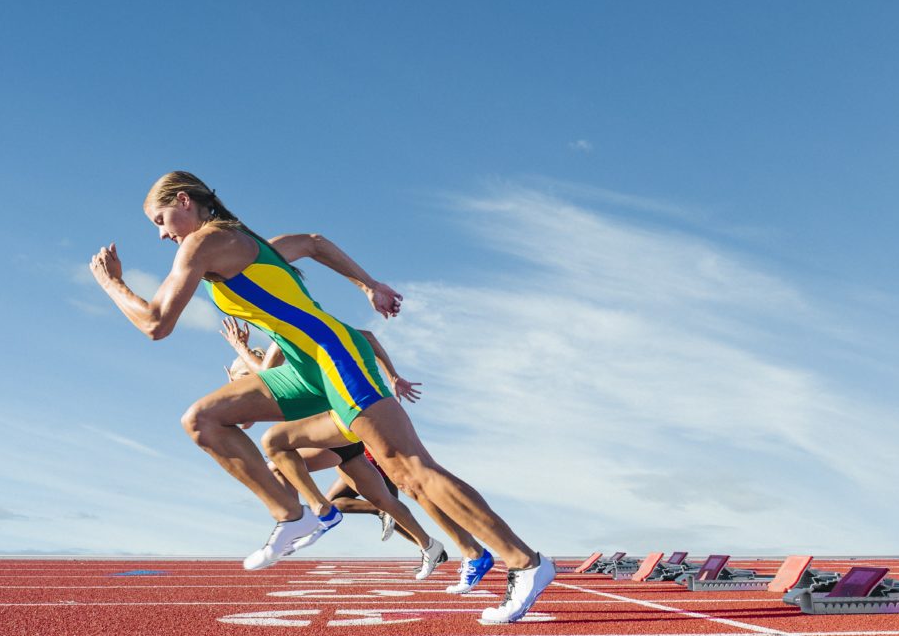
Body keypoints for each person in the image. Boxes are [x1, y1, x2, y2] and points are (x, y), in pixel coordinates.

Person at [90, 171, 554, 623]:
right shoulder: (249, 244)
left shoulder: (204, 242)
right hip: (306, 368)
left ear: (185, 202)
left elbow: (156, 323)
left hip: (335, 357)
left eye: (159, 220)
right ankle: (293, 514)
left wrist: (111, 283)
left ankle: (526, 563)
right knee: (204, 420)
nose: (161, 234)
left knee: (411, 472)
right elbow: (311, 241)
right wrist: (369, 285)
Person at [223, 317, 496, 594]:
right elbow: (248, 409)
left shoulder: (291, 330)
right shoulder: (292, 335)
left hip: (350, 416)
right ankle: (435, 546)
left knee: (414, 481)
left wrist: (241, 351)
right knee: (394, 494)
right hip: (340, 425)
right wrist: (392, 376)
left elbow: (265, 375)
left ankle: (305, 517)